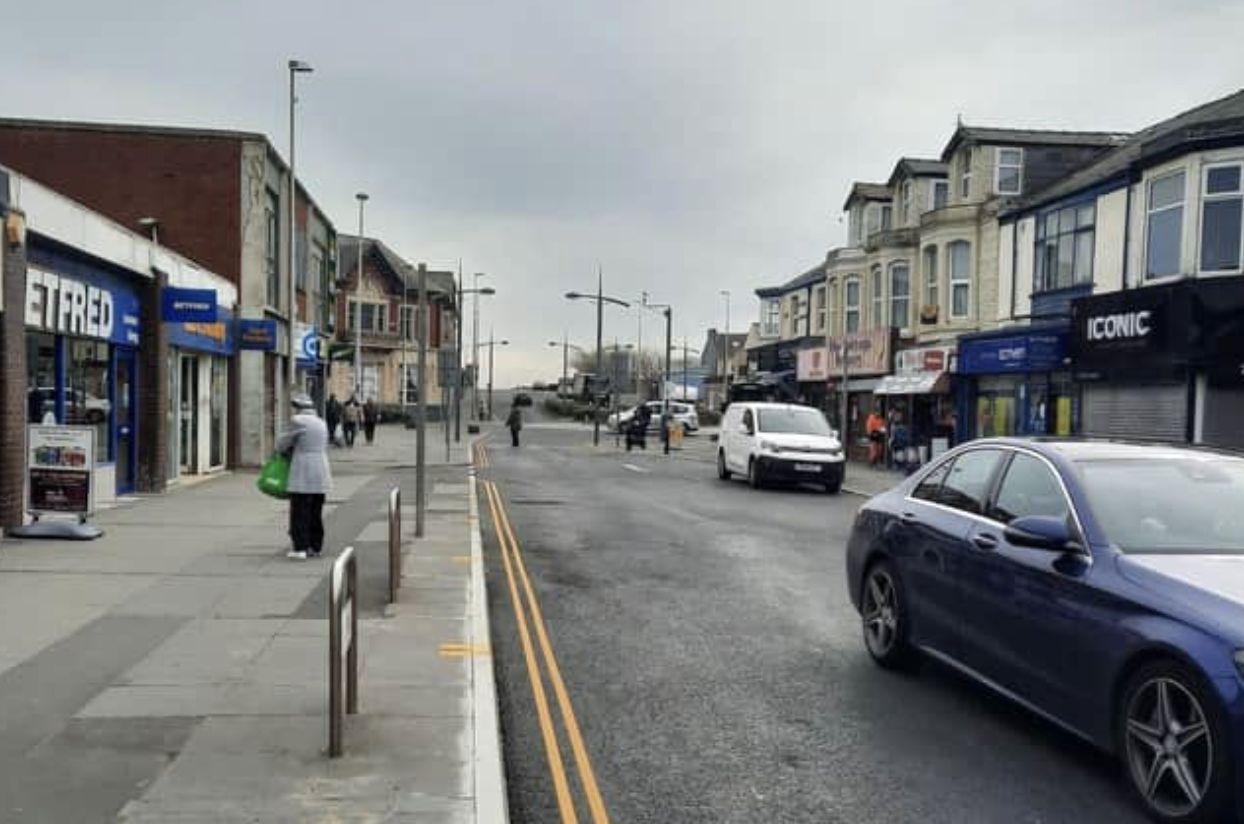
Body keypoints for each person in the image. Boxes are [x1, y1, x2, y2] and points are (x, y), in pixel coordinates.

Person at [276, 394, 333, 561]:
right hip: (321, 469)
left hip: (303, 470)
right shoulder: (321, 422)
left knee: (300, 510)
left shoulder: (297, 420)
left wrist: (284, 448)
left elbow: (282, 444)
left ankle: (300, 548)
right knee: (316, 511)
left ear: (298, 407)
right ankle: (315, 546)